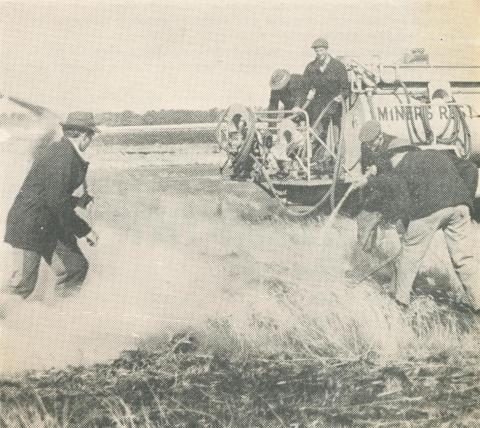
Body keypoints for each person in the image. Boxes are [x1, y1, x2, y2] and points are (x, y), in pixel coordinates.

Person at [1, 111, 99, 314]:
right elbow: (55, 202)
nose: (90, 141)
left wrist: (78, 201)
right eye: (91, 137)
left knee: (75, 267)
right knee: (22, 285)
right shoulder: (62, 156)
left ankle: (59, 319)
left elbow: (51, 194)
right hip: (28, 224)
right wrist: (85, 230)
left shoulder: (63, 152)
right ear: (84, 135)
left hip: (46, 222)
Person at [386, 138, 480, 310]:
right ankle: (478, 303)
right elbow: (471, 168)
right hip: (460, 207)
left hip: (428, 211)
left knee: (409, 256)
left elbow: (403, 202)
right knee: (464, 259)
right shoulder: (439, 154)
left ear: (395, 154)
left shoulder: (401, 165)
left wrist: (406, 227)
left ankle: (400, 303)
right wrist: (466, 198)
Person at [303, 37, 350, 140]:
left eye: (321, 50)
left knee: (336, 137)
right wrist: (309, 93)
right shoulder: (310, 67)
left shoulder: (338, 66)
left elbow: (346, 88)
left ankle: (337, 153)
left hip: (334, 106)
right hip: (318, 107)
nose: (319, 53)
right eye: (316, 51)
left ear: (326, 50)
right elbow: (305, 86)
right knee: (317, 136)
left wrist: (341, 96)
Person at [267, 70, 309, 178]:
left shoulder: (296, 80)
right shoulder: (276, 89)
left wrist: (297, 105)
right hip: (290, 112)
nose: (278, 90)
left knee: (303, 138)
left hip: (306, 108)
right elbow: (272, 107)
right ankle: (284, 164)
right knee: (284, 133)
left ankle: (300, 162)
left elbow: (300, 95)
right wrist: (272, 130)